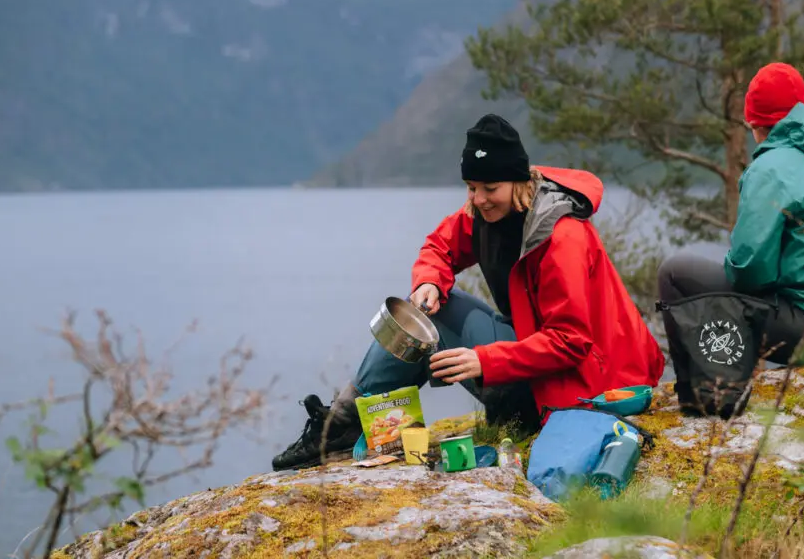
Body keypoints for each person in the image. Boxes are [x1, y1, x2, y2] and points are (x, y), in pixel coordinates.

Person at [272, 113, 666, 471]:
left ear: (519, 181)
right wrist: (429, 280)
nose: (477, 199)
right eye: (471, 186)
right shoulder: (485, 213)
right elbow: (438, 247)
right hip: (533, 363)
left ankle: (341, 425)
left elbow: (571, 342)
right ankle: (343, 423)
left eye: (488, 187)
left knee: (437, 318)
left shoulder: (562, 236)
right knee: (422, 312)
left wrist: (485, 360)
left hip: (592, 385)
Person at [658, 62, 804, 394]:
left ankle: (712, 397)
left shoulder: (769, 168)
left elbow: (750, 271)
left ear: (755, 122)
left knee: (675, 273)